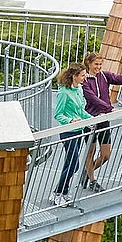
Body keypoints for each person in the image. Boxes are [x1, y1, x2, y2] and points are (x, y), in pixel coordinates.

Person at [78, 55, 122, 191]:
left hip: (103, 119)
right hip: (90, 119)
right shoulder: (84, 81)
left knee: (106, 155)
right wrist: (110, 108)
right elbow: (92, 98)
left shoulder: (104, 76)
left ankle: (87, 172)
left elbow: (118, 78)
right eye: (96, 64)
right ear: (88, 63)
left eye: (100, 64)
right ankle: (92, 180)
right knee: (91, 151)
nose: (98, 67)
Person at [53, 64, 91, 197]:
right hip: (68, 132)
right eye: (82, 75)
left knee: (70, 163)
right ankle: (59, 192)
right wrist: (70, 121)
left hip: (79, 131)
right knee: (74, 164)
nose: (84, 78)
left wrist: (93, 119)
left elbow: (80, 110)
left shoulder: (79, 89)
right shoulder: (63, 92)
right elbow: (58, 114)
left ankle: (61, 192)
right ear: (74, 76)